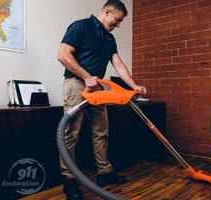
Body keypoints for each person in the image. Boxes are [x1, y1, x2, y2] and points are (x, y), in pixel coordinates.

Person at [57, 0, 147, 199]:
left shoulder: (109, 39)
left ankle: (104, 173)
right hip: (77, 84)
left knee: (101, 130)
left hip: (98, 88)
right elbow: (63, 55)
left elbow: (118, 63)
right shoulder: (80, 26)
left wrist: (133, 85)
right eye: (117, 20)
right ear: (106, 12)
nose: (118, 25)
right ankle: (69, 179)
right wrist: (85, 76)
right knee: (71, 132)